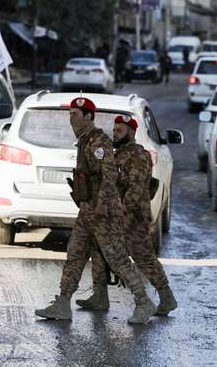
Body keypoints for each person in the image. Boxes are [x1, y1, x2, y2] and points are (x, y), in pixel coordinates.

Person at [34, 97, 155, 324]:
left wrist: (103, 203)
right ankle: (63, 302)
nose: (72, 119)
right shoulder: (84, 140)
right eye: (70, 115)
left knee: (117, 258)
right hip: (88, 210)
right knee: (75, 254)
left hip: (102, 212)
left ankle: (143, 301)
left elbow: (109, 175)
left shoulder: (98, 141)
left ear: (89, 117)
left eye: (76, 115)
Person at [76, 115, 178, 315]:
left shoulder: (138, 155)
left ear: (132, 132)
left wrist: (122, 211)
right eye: (113, 131)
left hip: (133, 216)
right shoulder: (117, 154)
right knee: (99, 251)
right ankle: (100, 295)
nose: (114, 134)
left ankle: (166, 298)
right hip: (114, 215)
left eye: (119, 131)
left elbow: (136, 188)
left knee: (143, 258)